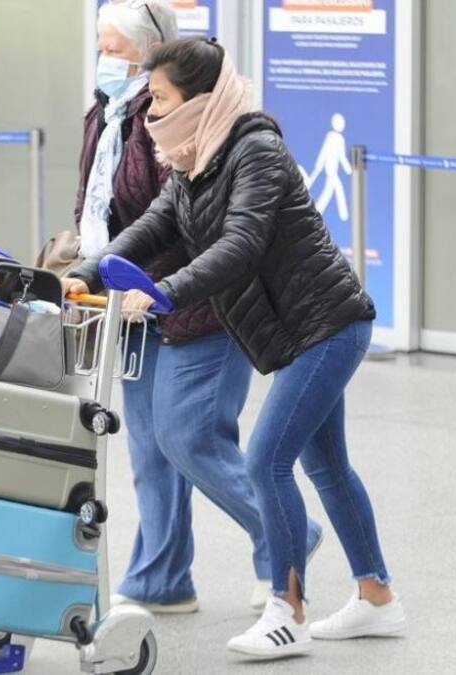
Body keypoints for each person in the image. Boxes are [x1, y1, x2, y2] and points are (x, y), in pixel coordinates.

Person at [65, 37, 405, 660]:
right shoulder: (195, 161)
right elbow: (151, 229)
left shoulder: (257, 150)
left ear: (200, 99)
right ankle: (377, 596)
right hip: (294, 332)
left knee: (266, 461)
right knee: (326, 465)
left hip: (328, 326)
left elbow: (240, 245)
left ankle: (287, 610)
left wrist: (162, 294)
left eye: (161, 100)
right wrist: (86, 273)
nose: (151, 113)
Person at [76, 0, 321, 614]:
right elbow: (114, 214)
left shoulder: (195, 134)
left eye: (116, 50)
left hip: (200, 305)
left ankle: (285, 538)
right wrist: (87, 269)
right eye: (100, 46)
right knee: (151, 449)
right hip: (133, 304)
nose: (105, 61)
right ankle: (161, 579)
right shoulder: (106, 117)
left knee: (190, 437)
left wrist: (158, 288)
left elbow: (207, 235)